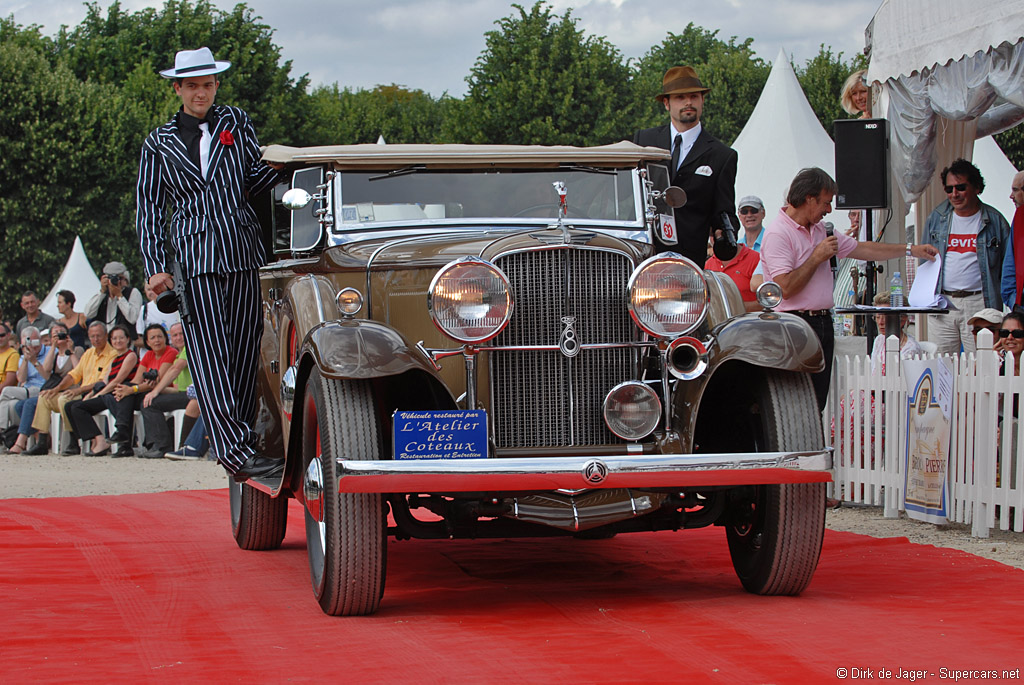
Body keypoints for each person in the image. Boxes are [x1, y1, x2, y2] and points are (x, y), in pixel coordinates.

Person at [136, 47, 285, 482]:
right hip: (193, 259)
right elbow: (148, 209)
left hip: (242, 250)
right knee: (208, 354)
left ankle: (240, 439)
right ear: (178, 88)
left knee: (242, 351)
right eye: (192, 86)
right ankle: (236, 454)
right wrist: (155, 266)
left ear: (216, 86)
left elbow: (251, 180)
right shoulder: (157, 144)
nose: (201, 92)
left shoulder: (236, 122)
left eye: (208, 84)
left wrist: (286, 166)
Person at [760, 167, 938, 411]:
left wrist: (911, 250)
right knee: (797, 402)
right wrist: (816, 256)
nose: (829, 210)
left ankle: (814, 447)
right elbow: (785, 288)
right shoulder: (778, 233)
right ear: (809, 198)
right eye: (826, 202)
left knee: (818, 401)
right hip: (794, 324)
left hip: (822, 323)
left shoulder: (821, 230)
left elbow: (864, 249)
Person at [633, 66, 739, 266]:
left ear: (702, 100)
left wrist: (724, 232)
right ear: (667, 103)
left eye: (694, 96)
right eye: (680, 97)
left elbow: (724, 211)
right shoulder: (644, 140)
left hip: (687, 263)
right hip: (643, 254)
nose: (688, 102)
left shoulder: (722, 155)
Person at [922, 159, 1009, 355]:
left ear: (977, 187)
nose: (954, 194)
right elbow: (925, 260)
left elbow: (1007, 266)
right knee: (941, 365)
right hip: (943, 301)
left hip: (980, 301)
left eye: (960, 187)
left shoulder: (995, 220)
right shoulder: (936, 217)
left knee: (983, 363)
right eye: (949, 188)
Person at [24, 321, 116, 455]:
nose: (95, 339)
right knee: (45, 396)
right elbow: (74, 375)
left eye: (99, 336)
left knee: (64, 399)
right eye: (92, 336)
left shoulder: (112, 354)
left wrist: (77, 390)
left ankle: (73, 441)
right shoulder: (89, 353)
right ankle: (42, 442)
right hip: (80, 392)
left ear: (106, 335)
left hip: (93, 393)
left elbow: (102, 382)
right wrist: (56, 388)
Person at [64, 325, 138, 457]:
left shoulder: (130, 355)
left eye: (121, 338)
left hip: (120, 393)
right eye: (114, 338)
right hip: (108, 393)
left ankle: (106, 442)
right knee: (71, 406)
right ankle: (97, 439)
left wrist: (99, 395)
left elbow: (117, 380)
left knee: (79, 407)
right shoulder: (114, 358)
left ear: (128, 339)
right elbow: (104, 381)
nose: (118, 341)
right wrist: (91, 394)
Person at [9, 323, 82, 455]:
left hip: (73, 391)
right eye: (55, 334)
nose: (59, 335)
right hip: (56, 392)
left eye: (61, 332)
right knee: (41, 398)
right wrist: (52, 347)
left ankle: (72, 441)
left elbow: (79, 372)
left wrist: (70, 351)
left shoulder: (77, 350)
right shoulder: (54, 354)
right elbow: (46, 372)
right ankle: (42, 441)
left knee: (60, 400)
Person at [138, 322, 192, 459]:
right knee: (150, 401)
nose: (179, 338)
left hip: (195, 396)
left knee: (151, 402)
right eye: (175, 335)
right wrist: (157, 391)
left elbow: (175, 370)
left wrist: (155, 391)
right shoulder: (178, 354)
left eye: (181, 334)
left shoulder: (190, 348)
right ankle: (155, 444)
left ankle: (161, 446)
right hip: (186, 394)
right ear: (171, 339)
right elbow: (178, 390)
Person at [0, 327, 49, 433]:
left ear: (39, 340)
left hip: (43, 388)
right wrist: (26, 360)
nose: (30, 346)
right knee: (13, 404)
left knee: (6, 391)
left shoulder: (49, 352)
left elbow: (47, 377)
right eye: (26, 344)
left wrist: (34, 361)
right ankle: (12, 435)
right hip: (27, 389)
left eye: (33, 342)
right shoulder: (23, 357)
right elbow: (21, 379)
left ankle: (2, 429)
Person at [869, 293, 923, 374]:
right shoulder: (879, 340)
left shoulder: (910, 349)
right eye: (877, 317)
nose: (880, 322)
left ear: (903, 319)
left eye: (885, 317)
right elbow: (873, 372)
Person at [84, 261, 144, 332]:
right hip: (105, 340)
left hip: (124, 339)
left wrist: (120, 296)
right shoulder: (102, 295)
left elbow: (132, 318)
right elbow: (88, 313)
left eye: (118, 278)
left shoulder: (133, 293)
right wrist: (102, 292)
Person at [705, 242, 761, 312]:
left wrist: (733, 307)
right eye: (712, 234)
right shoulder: (709, 263)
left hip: (748, 321)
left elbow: (768, 301)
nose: (718, 237)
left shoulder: (756, 259)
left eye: (723, 233)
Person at [999, 171, 1024, 311]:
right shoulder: (1019, 218)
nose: (1011, 196)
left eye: (1015, 190)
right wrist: (1014, 301)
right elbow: (1010, 263)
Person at [0, 323, 19, 392]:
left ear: (8, 335)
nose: (0, 338)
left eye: (2, 335)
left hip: (4, 393)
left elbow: (10, 381)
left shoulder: (13, 355)